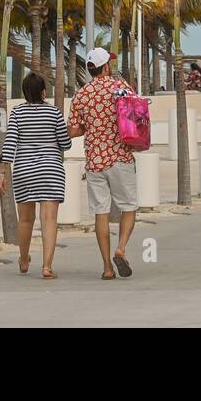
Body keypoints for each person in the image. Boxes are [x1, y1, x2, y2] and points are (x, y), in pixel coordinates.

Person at [68, 46, 136, 280]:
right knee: (128, 207)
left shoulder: (82, 94)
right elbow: (135, 115)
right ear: (105, 66)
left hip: (95, 161)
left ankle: (107, 267)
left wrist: (92, 125)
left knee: (101, 214)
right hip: (121, 156)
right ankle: (121, 248)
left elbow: (73, 130)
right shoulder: (121, 87)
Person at [0, 71, 72, 279]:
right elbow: (65, 144)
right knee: (49, 218)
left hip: (24, 170)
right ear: (43, 92)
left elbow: (11, 143)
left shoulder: (17, 113)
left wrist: (3, 172)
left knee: (25, 219)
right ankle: (47, 266)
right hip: (50, 170)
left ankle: (23, 260)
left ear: (24, 93)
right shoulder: (54, 113)